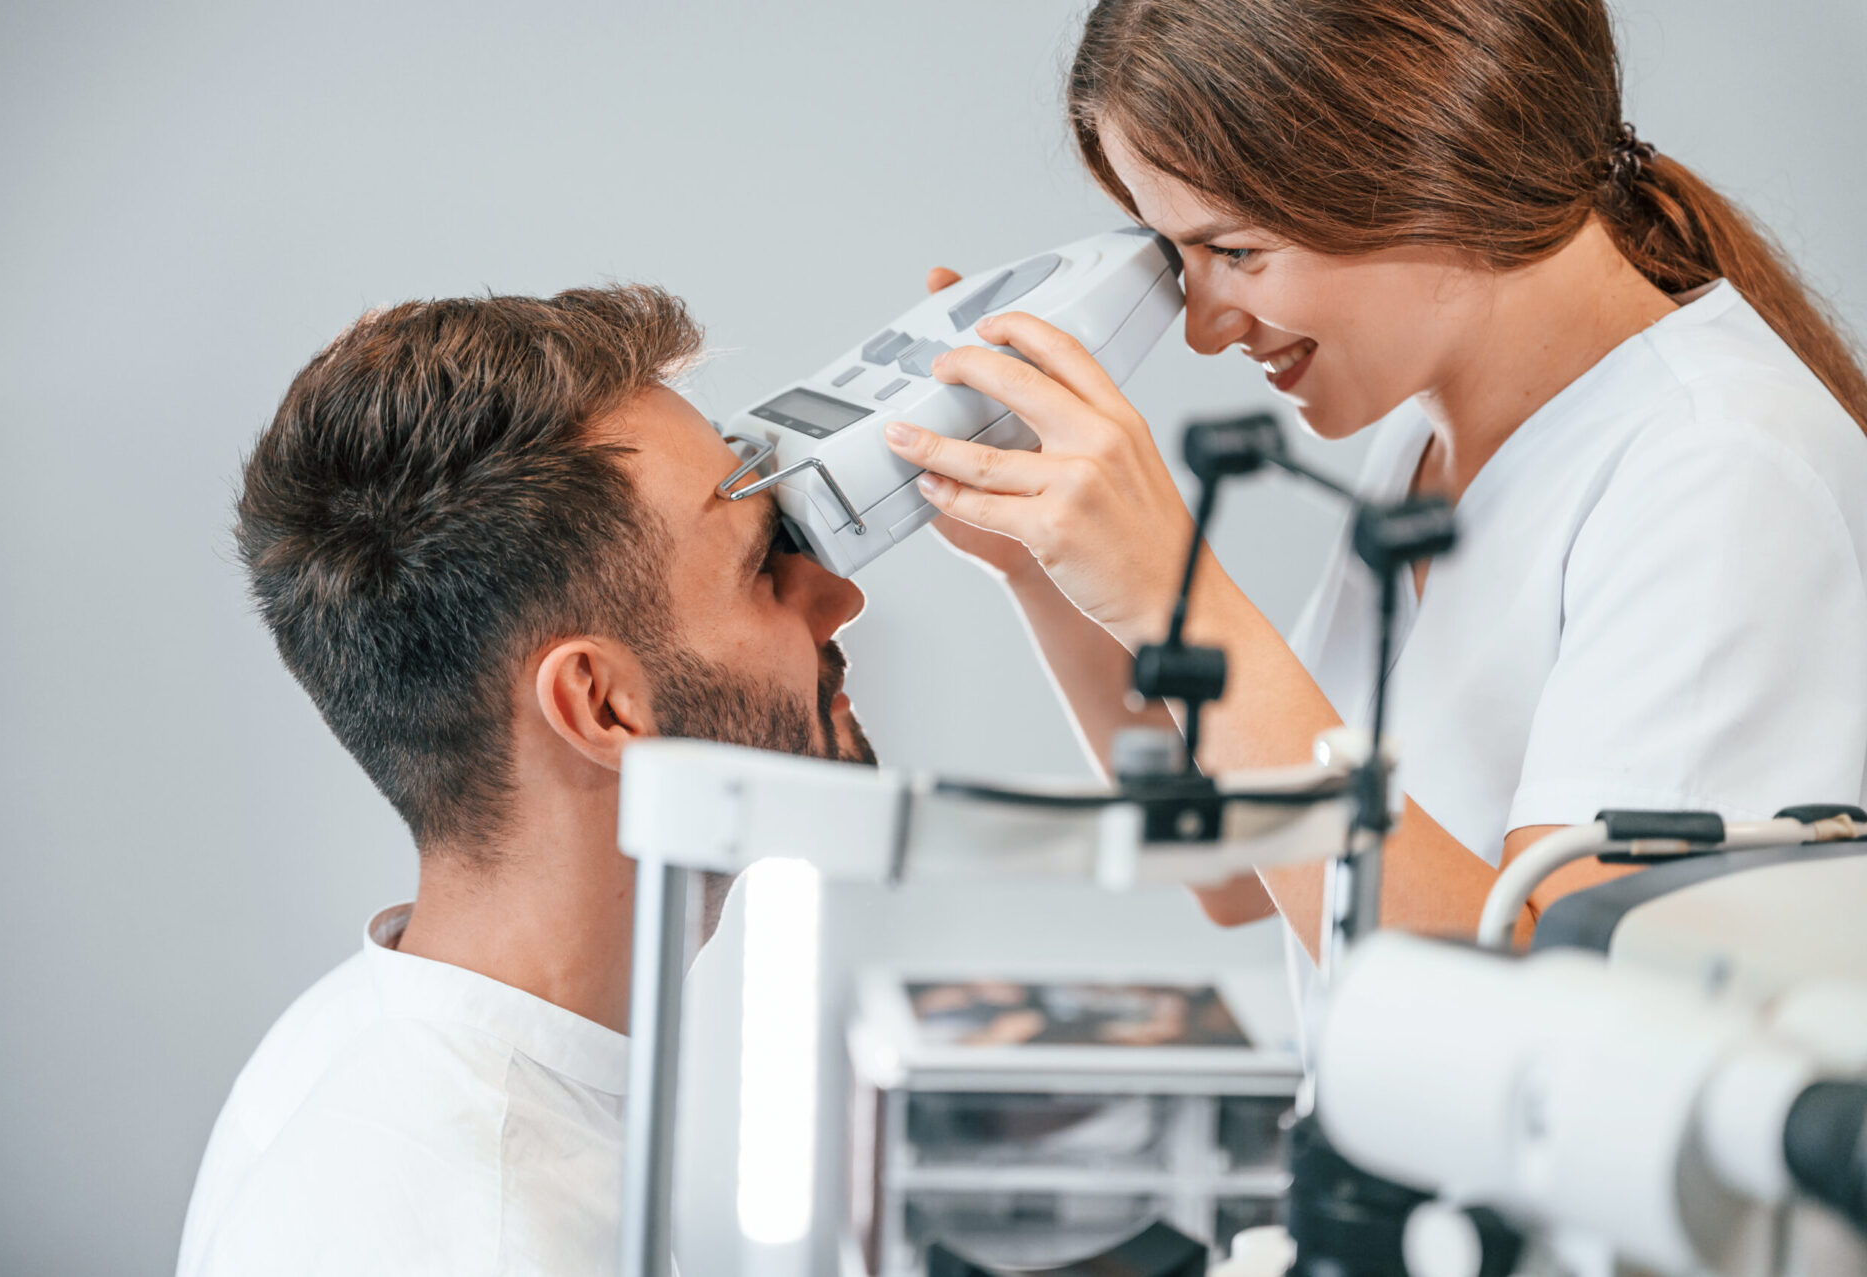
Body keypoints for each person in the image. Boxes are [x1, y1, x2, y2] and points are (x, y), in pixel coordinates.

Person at [887, 0, 1867, 963]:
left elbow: (1566, 1003)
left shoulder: (1724, 473)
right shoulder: (1429, 436)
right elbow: (1240, 871)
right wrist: (1040, 558)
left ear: (1436, 163)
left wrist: (1185, 602)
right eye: (1180, 256)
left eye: (1235, 251)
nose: (1204, 329)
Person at [178, 285, 871, 1276]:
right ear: (602, 705)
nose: (839, 596)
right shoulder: (498, 1233)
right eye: (764, 568)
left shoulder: (359, 1033)